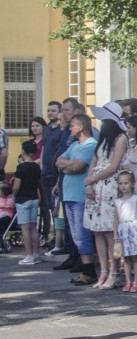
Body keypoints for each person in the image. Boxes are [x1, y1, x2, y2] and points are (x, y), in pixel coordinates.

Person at [84, 104, 129, 290]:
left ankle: (114, 270)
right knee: (97, 231)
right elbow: (94, 160)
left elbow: (113, 165)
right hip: (96, 186)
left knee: (111, 232)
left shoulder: (120, 138)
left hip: (110, 186)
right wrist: (89, 181)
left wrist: (93, 178)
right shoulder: (102, 139)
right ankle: (102, 270)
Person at [57, 113, 98, 285]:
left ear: (81, 126)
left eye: (72, 125)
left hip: (81, 196)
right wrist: (69, 167)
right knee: (75, 234)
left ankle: (89, 270)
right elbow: (58, 161)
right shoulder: (74, 145)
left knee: (82, 234)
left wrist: (69, 166)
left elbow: (78, 166)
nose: (69, 127)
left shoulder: (90, 144)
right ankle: (84, 269)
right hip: (69, 195)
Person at [112, 170, 137, 292]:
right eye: (121, 183)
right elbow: (116, 219)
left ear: (132, 184)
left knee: (135, 257)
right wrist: (115, 234)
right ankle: (128, 281)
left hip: (134, 229)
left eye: (126, 183)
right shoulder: (117, 201)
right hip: (124, 230)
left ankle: (136, 281)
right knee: (126, 257)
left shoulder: (135, 198)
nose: (123, 186)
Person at [13, 140, 41, 264]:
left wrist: (14, 194)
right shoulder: (36, 166)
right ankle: (36, 254)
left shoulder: (21, 168)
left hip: (23, 199)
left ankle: (28, 255)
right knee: (33, 227)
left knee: (25, 228)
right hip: (34, 197)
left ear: (23, 151)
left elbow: (16, 186)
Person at [39, 101, 62, 249]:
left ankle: (59, 239)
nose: (50, 113)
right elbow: (44, 149)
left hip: (55, 174)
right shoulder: (46, 129)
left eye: (53, 110)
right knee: (49, 206)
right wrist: (41, 165)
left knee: (56, 206)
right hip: (45, 173)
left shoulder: (61, 130)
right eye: (48, 110)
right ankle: (54, 236)